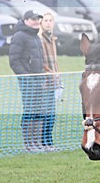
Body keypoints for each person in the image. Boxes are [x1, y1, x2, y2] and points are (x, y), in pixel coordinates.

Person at [9, 9, 47, 151]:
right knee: (30, 110)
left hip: (39, 79)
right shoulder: (19, 36)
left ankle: (36, 142)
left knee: (39, 110)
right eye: (33, 19)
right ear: (25, 21)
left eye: (38, 19)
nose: (36, 21)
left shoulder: (35, 36)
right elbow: (14, 61)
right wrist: (26, 77)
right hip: (28, 80)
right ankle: (29, 144)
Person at [38, 11, 61, 150]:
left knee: (52, 113)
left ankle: (49, 141)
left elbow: (55, 61)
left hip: (54, 81)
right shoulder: (40, 39)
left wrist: (58, 74)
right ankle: (45, 141)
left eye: (50, 20)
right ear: (41, 23)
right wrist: (50, 72)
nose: (48, 22)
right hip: (45, 81)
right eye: (45, 20)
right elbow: (40, 61)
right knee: (46, 112)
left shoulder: (52, 39)